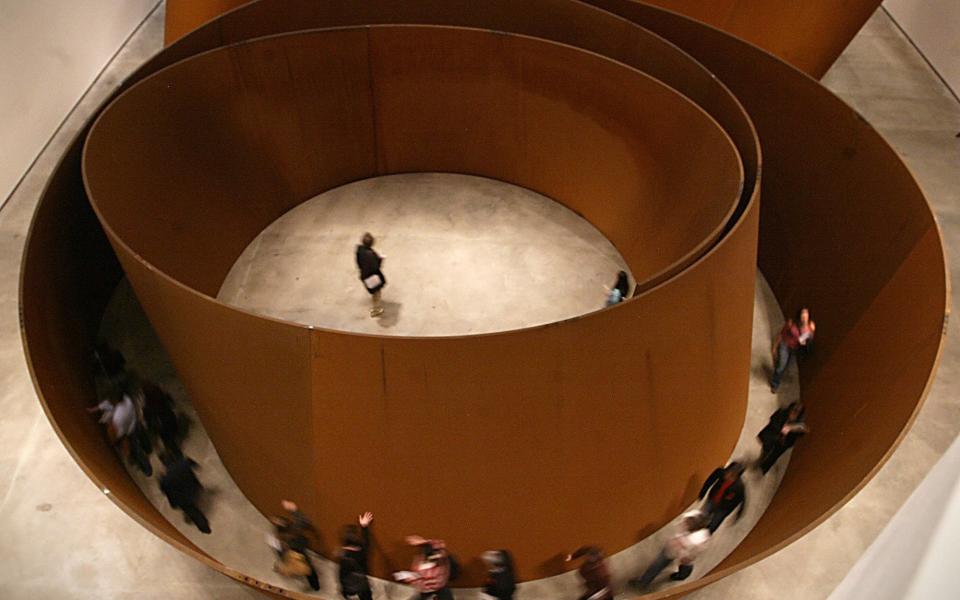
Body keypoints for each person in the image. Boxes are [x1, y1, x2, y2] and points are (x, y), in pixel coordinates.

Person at [629, 511, 711, 590]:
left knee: (659, 564)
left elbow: (687, 551)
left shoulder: (696, 539)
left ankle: (642, 583)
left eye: (687, 524)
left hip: (681, 550)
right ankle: (683, 573)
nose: (684, 524)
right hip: (679, 547)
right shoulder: (691, 516)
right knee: (679, 562)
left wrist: (681, 551)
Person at [87, 384, 152, 476]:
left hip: (130, 431)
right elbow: (108, 404)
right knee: (143, 437)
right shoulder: (127, 400)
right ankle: (148, 449)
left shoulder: (118, 416)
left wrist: (115, 440)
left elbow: (120, 432)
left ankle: (147, 469)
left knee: (137, 450)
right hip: (136, 424)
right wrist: (95, 408)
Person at [158, 453, 210, 533]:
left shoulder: (165, 479)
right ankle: (204, 526)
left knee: (192, 511)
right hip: (193, 488)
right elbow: (192, 463)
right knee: (194, 507)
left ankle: (203, 526)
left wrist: (173, 504)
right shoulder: (182, 463)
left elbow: (166, 492)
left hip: (183, 499)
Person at [270, 510, 320, 591]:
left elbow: (281, 553)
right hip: (301, 554)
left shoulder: (280, 539)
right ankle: (315, 586)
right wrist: (294, 510)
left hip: (293, 556)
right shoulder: (294, 531)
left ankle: (314, 584)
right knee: (310, 571)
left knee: (302, 569)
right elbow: (303, 522)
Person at [394, 535, 455, 600]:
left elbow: (440, 546)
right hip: (426, 590)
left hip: (440, 589)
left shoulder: (441, 560)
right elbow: (417, 576)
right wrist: (409, 577)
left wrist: (424, 542)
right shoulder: (420, 562)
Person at [770, 307, 816, 392]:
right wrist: (774, 347)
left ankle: (777, 370)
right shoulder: (791, 324)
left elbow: (809, 339)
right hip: (785, 345)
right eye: (803, 315)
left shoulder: (810, 327)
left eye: (806, 316)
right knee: (781, 366)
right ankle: (775, 383)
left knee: (787, 366)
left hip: (795, 349)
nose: (804, 318)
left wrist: (809, 336)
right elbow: (781, 334)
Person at [757, 402, 809, 474]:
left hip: (783, 444)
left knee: (773, 456)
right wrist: (783, 429)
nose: (794, 413)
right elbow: (773, 421)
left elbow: (804, 430)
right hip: (773, 437)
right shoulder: (782, 413)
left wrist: (792, 428)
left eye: (797, 412)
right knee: (766, 449)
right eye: (794, 409)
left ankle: (763, 469)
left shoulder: (798, 424)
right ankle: (763, 457)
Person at [697, 462, 746, 533]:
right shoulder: (721, 472)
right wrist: (702, 493)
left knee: (713, 524)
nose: (728, 476)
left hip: (723, 508)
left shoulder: (739, 487)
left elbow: (742, 501)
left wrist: (737, 515)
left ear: (737, 477)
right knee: (703, 514)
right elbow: (710, 480)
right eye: (728, 472)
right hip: (712, 499)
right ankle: (698, 525)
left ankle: (705, 533)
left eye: (732, 476)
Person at [339, 511, 374, 600]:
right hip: (363, 585)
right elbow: (367, 542)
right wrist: (364, 527)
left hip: (351, 587)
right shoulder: (362, 550)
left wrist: (344, 591)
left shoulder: (344, 557)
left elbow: (341, 576)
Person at [356, 232, 386, 317]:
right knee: (376, 292)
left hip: (364, 274)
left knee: (374, 291)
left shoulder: (359, 250)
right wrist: (380, 259)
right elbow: (376, 267)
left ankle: (375, 306)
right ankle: (375, 310)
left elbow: (358, 261)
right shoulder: (370, 255)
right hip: (371, 276)